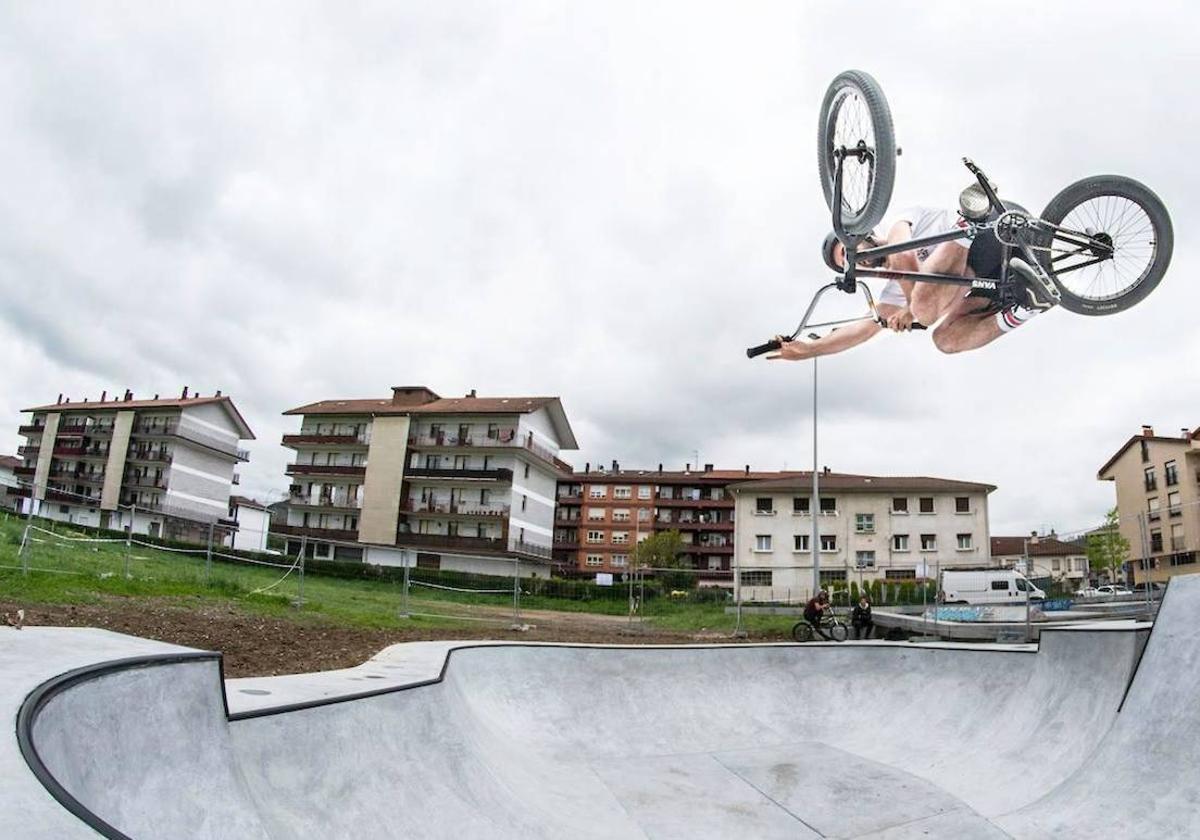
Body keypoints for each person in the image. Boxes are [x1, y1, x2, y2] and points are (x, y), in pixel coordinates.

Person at [768, 205, 1055, 362]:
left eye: (848, 253)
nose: (856, 262)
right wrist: (808, 350)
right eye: (846, 265)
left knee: (923, 311)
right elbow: (862, 329)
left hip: (991, 229)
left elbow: (903, 256)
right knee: (944, 340)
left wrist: (911, 310)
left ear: (859, 237)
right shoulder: (892, 292)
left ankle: (964, 229)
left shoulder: (899, 222)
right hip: (1001, 275)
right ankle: (1027, 308)